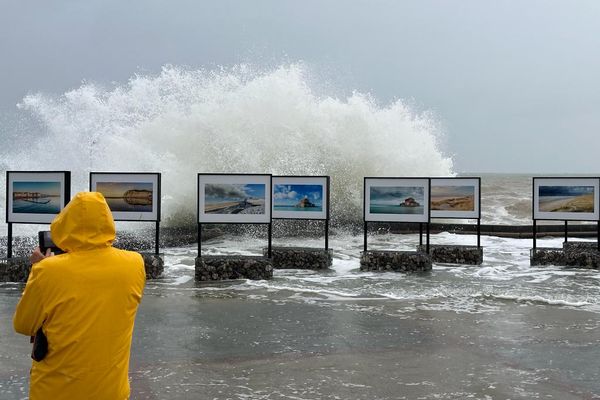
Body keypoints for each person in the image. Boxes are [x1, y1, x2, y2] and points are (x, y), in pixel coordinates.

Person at [13, 192, 146, 400]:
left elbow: (23, 325)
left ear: (64, 224)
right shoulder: (135, 263)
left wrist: (37, 268)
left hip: (56, 391)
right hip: (112, 391)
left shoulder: (47, 270)